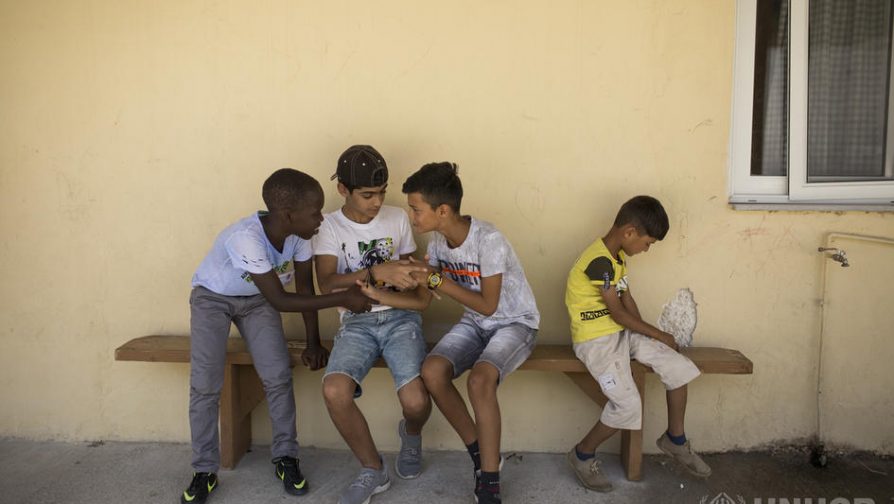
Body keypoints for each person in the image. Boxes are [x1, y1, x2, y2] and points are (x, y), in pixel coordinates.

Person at [182, 168, 373, 504]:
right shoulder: (246, 238)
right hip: (213, 298)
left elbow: (303, 287)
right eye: (315, 212)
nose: (321, 219)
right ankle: (204, 470)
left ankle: (286, 457)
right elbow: (281, 300)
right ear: (288, 215)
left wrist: (313, 341)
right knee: (205, 384)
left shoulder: (300, 234)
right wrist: (343, 298)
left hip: (256, 302)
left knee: (277, 376)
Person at [406, 162, 540, 504]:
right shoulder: (437, 242)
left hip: (514, 322)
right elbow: (427, 291)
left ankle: (490, 480)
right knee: (432, 371)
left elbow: (489, 305)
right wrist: (399, 279)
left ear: (443, 210)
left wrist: (436, 280)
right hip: (476, 324)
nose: (412, 217)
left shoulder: (489, 239)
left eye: (416, 209)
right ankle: (482, 455)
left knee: (480, 380)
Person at [564, 195, 711, 493]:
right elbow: (617, 312)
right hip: (596, 342)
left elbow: (626, 301)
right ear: (629, 232)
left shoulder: (617, 260)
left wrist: (648, 337)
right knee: (628, 405)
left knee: (677, 367)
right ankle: (582, 454)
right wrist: (659, 334)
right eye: (648, 243)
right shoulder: (599, 262)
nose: (646, 249)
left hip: (621, 334)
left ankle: (675, 439)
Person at [312, 145, 432, 504]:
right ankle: (371, 469)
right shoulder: (329, 226)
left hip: (400, 317)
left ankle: (411, 434)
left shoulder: (397, 218)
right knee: (334, 391)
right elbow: (328, 284)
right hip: (357, 322)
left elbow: (411, 269)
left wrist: (415, 275)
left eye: (381, 193)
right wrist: (376, 271)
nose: (377, 202)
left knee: (415, 403)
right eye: (368, 195)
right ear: (343, 190)